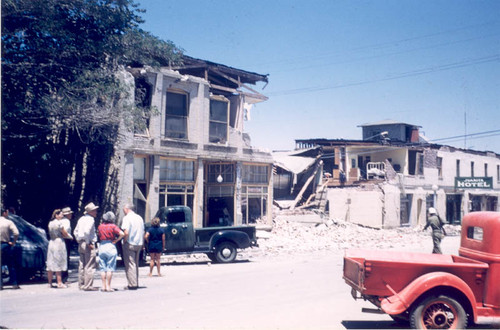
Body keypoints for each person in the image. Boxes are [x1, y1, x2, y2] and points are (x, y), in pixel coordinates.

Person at [73, 202, 99, 291]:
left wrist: (79, 240)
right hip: (89, 243)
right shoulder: (91, 220)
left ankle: (81, 284)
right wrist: (88, 243)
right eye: (94, 210)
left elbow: (75, 232)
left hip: (81, 243)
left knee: (82, 264)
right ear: (90, 211)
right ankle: (88, 285)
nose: (96, 212)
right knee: (90, 265)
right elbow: (87, 232)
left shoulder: (81, 219)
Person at [97, 211, 124, 292]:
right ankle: (108, 286)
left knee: (102, 268)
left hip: (102, 246)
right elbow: (122, 233)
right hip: (110, 245)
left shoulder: (100, 226)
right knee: (110, 267)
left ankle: (103, 286)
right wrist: (116, 240)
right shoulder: (113, 226)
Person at [47, 209, 73, 288]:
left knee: (50, 261)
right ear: (56, 215)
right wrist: (70, 237)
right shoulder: (59, 223)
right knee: (59, 261)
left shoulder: (50, 223)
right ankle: (59, 282)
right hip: (59, 242)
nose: (62, 216)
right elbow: (64, 233)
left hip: (51, 241)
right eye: (61, 214)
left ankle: (50, 283)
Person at [121, 203, 144, 290]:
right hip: (139, 243)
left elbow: (126, 232)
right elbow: (143, 231)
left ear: (127, 209)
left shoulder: (126, 218)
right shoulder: (139, 218)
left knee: (130, 264)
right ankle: (135, 281)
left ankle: (132, 284)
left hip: (130, 243)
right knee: (135, 263)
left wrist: (124, 241)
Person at [0, 208, 20, 290]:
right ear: (4, 213)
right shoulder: (8, 222)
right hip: (6, 244)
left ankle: (0, 285)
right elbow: (16, 233)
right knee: (11, 265)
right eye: (7, 212)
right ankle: (14, 283)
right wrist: (13, 242)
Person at [61, 207, 74, 282]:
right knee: (65, 258)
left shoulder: (61, 221)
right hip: (66, 240)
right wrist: (70, 236)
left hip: (62, 240)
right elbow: (64, 231)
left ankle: (61, 277)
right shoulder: (66, 221)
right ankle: (64, 278)